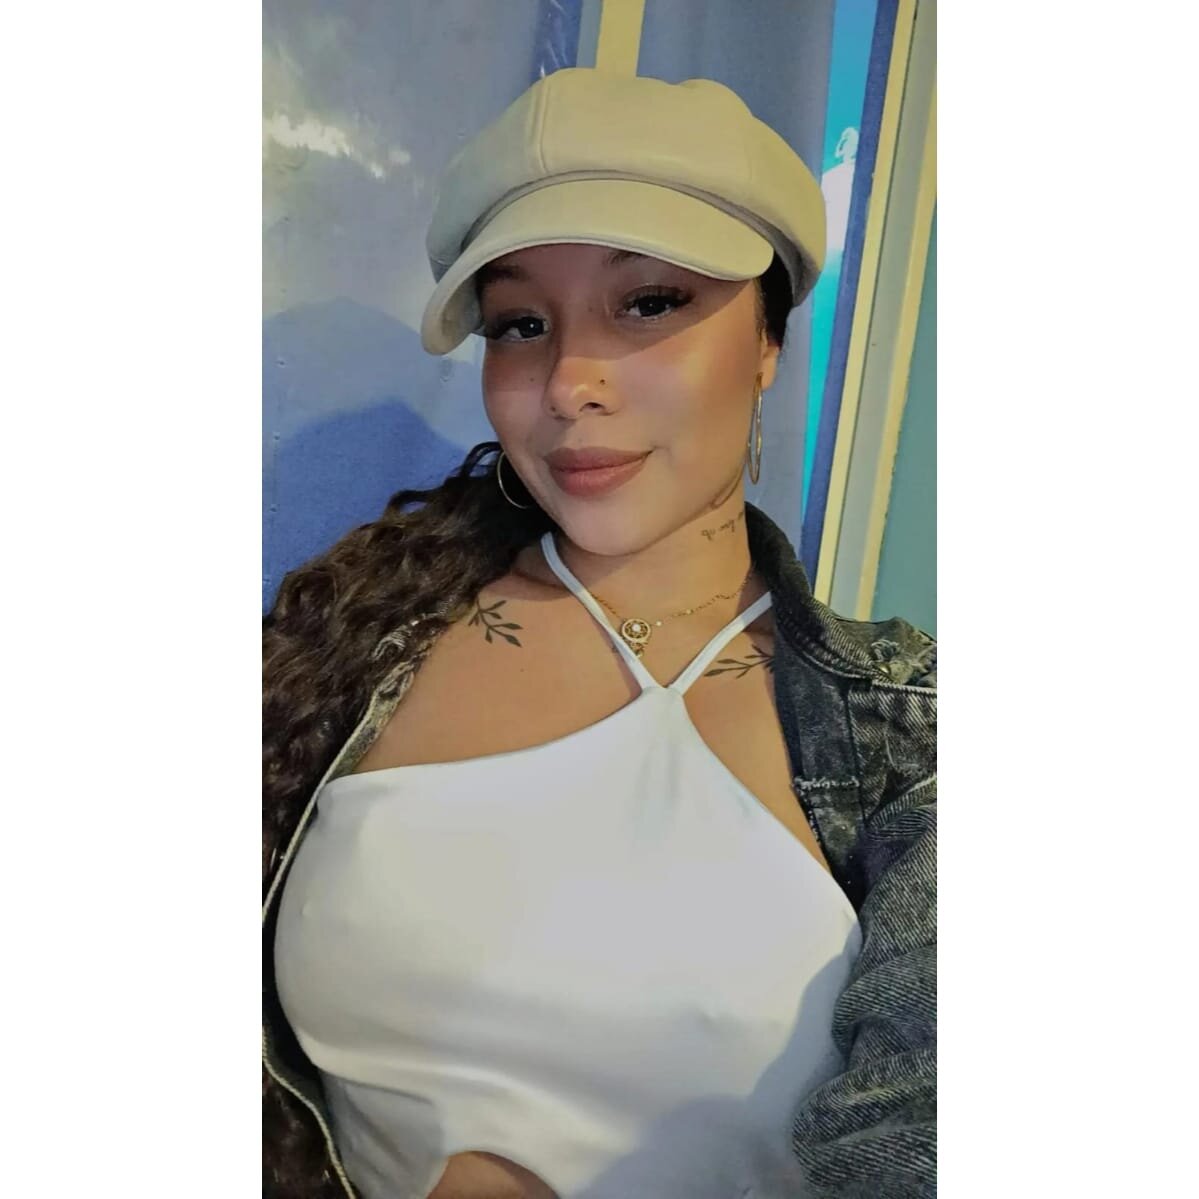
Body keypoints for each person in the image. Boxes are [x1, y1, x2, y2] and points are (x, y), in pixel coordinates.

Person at [263, 68, 936, 1199]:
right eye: (521, 324)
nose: (570, 381)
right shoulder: (350, 645)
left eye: (648, 303)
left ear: (766, 340)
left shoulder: (910, 734)